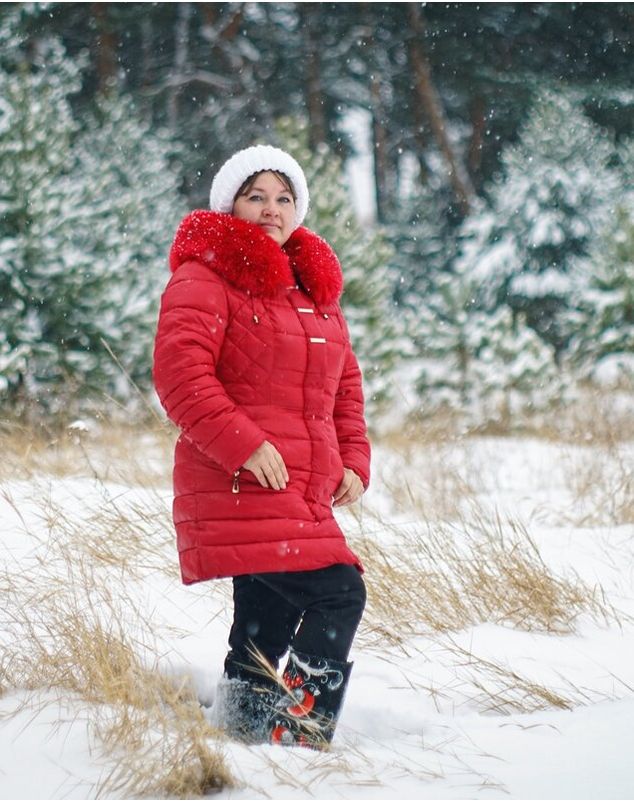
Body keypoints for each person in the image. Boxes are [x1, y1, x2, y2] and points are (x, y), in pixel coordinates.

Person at [152, 145, 370, 749]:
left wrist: (354, 459)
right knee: (339, 591)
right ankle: (297, 734)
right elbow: (179, 376)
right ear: (231, 204)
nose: (272, 209)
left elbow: (344, 384)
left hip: (300, 485)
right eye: (257, 196)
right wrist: (244, 445)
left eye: (284, 197)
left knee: (266, 613)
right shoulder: (204, 277)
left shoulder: (312, 291)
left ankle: (244, 723)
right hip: (239, 480)